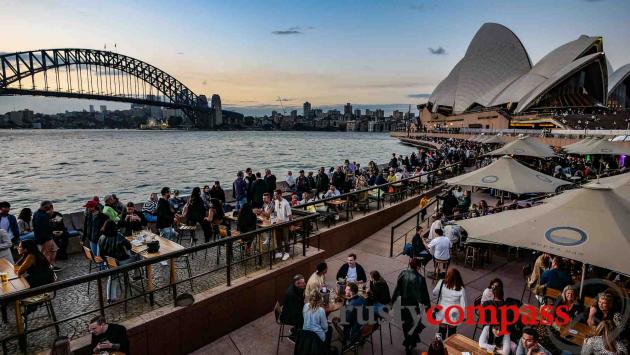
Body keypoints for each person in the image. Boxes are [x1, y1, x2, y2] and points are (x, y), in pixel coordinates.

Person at [392, 258, 431, 355]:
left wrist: (392, 302)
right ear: (418, 267)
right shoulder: (420, 279)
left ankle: (410, 343)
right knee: (414, 324)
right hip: (414, 305)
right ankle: (410, 343)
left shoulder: (403, 274)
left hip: (403, 304)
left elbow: (397, 289)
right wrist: (427, 308)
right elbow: (424, 295)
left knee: (406, 324)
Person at [98, 219, 136, 301]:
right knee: (138, 257)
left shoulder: (101, 237)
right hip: (121, 263)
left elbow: (101, 254)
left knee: (112, 276)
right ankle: (137, 275)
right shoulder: (118, 235)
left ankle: (110, 297)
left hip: (109, 263)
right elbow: (129, 246)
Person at [433, 268, 466, 339]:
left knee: (440, 331)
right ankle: (449, 348)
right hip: (454, 312)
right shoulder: (461, 288)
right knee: (452, 333)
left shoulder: (442, 282)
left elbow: (434, 293)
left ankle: (438, 346)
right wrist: (464, 316)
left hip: (442, 311)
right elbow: (463, 303)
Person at [32, 201, 60, 270]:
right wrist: (55, 221)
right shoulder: (44, 216)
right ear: (47, 207)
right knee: (46, 254)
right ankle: (48, 269)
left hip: (40, 237)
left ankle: (52, 265)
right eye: (51, 207)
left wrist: (50, 219)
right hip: (46, 238)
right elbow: (50, 227)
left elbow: (37, 225)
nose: (51, 208)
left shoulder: (36, 213)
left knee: (54, 249)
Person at [280, 274, 306, 341]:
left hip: (289, 311)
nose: (305, 284)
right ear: (297, 284)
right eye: (303, 283)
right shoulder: (291, 294)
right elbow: (295, 312)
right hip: (287, 316)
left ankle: (295, 329)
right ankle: (293, 337)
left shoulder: (296, 288)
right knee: (304, 320)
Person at [273, 189, 292, 261]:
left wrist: (290, 225)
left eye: (275, 194)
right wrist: (275, 219)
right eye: (274, 194)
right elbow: (275, 212)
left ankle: (287, 253)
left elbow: (289, 215)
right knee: (278, 238)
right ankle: (280, 251)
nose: (274, 196)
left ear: (280, 194)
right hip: (278, 223)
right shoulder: (276, 201)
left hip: (285, 223)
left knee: (286, 239)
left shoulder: (286, 203)